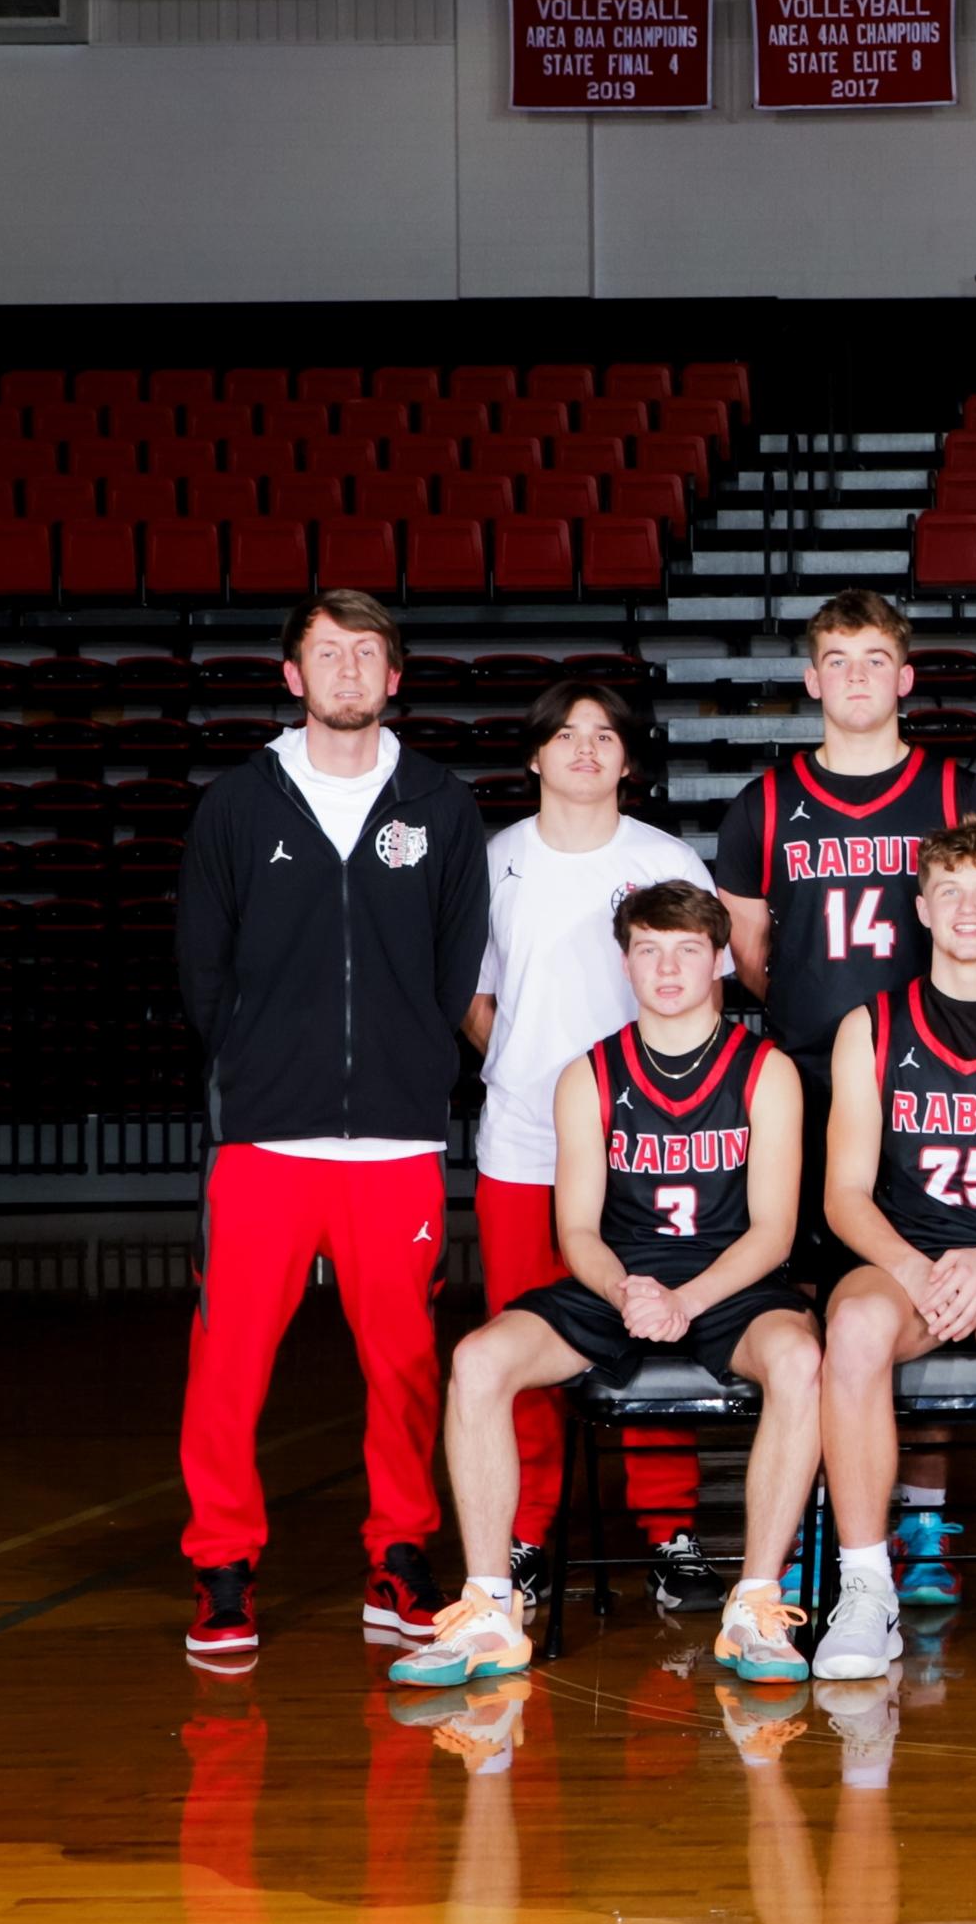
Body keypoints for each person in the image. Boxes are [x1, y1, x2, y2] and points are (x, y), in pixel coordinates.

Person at [388, 882, 821, 1691]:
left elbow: (773, 1233)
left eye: (688, 949)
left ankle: (755, 1603)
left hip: (730, 1282)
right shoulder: (588, 1075)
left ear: (719, 958)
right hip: (620, 1280)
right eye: (649, 949)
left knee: (799, 1363)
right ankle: (488, 1609)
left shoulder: (767, 1073)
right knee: (479, 1361)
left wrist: (686, 1301)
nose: (668, 967)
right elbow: (576, 1231)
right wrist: (629, 1292)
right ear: (624, 962)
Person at [176, 590, 490, 1665]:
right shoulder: (235, 806)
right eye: (328, 653)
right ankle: (222, 1568)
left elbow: (456, 967)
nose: (349, 669)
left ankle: (400, 1559)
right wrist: (262, 1065)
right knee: (228, 1365)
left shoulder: (440, 805)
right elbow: (202, 970)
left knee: (405, 1367)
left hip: (396, 1144)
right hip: (265, 1139)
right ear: (293, 675)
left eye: (369, 653)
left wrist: (411, 1064)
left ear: (394, 677)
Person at [711, 589, 976, 1595]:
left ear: (904, 677)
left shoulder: (956, 793)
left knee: (922, 1291)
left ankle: (918, 1521)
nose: (856, 678)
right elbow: (748, 949)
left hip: (931, 1082)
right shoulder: (765, 801)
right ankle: (803, 1526)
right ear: (811, 679)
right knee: (800, 1306)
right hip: (803, 1081)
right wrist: (828, 1033)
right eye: (837, 660)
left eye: (875, 659)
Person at [811, 820, 976, 1684]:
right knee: (853, 1329)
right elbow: (843, 1195)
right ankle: (865, 1591)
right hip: (907, 1254)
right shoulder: (872, 1026)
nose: (969, 909)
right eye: (952, 892)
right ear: (923, 908)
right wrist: (912, 1271)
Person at [465, 679, 716, 1617]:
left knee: (656, 1330)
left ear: (627, 759)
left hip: (653, 1151)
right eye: (564, 735)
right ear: (534, 756)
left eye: (603, 735)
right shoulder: (494, 861)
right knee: (525, 1344)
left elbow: (700, 993)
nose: (583, 750)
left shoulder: (662, 857)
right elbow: (473, 995)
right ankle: (528, 1533)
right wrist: (542, 1074)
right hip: (526, 1145)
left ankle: (670, 1529)